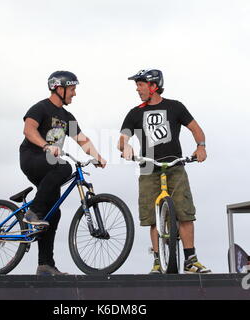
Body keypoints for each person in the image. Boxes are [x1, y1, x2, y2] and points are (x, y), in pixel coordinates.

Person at [118, 69, 211, 274]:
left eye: (140, 85)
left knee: (185, 213)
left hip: (175, 165)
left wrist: (201, 146)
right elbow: (122, 140)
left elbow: (196, 129)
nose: (137, 89)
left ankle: (190, 260)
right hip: (149, 167)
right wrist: (126, 147)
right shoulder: (135, 113)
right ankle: (158, 261)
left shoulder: (175, 107)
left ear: (153, 86)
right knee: (153, 217)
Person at [19, 71, 106, 276]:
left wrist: (97, 156)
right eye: (72, 89)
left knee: (54, 212)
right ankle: (33, 212)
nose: (74, 94)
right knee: (64, 167)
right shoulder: (40, 108)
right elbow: (28, 130)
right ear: (59, 88)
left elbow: (82, 140)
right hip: (32, 157)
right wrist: (45, 146)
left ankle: (45, 265)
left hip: (49, 165)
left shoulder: (67, 117)